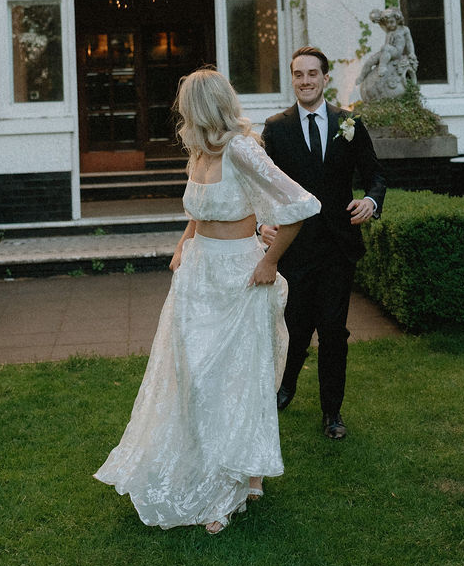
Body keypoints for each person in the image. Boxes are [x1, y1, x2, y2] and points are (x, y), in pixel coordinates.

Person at [95, 67, 320, 535]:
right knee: (193, 379)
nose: (181, 115)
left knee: (233, 381)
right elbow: (198, 212)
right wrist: (182, 246)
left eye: (187, 107)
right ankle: (212, 469)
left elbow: (299, 205)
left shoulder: (241, 149)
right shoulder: (198, 151)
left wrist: (270, 261)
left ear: (205, 108)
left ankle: (233, 484)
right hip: (198, 278)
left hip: (239, 278)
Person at [260, 46, 386, 441]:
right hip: (293, 247)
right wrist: (261, 224)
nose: (305, 81)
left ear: (325, 78)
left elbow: (376, 176)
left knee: (333, 331)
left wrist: (370, 201)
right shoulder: (275, 128)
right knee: (294, 326)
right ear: (292, 79)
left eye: (312, 74)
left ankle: (332, 412)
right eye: (298, 74)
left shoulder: (349, 123)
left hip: (336, 248)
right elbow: (260, 187)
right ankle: (285, 386)